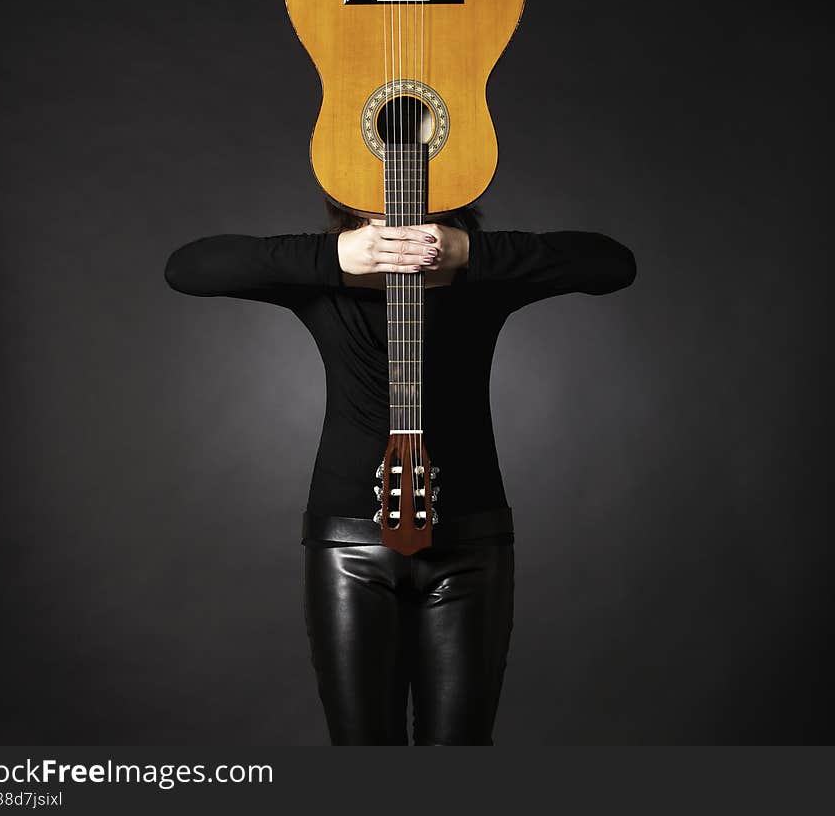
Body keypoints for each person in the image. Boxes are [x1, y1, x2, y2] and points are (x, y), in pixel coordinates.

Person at [164, 198, 636, 745]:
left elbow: (613, 264)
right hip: (349, 550)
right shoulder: (328, 275)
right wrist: (338, 254)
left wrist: (466, 252)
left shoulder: (477, 275)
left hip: (471, 545)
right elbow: (186, 268)